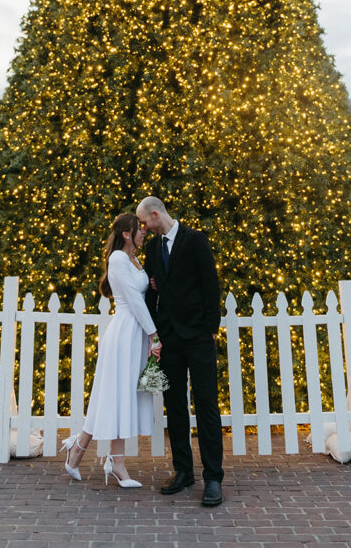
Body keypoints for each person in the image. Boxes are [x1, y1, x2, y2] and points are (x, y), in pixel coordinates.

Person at [136, 196, 224, 507]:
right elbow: (150, 288)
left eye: (144, 222)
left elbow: (211, 284)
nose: (143, 228)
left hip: (198, 337)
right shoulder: (152, 249)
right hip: (170, 338)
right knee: (174, 408)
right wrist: (154, 333)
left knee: (206, 406)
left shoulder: (196, 240)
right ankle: (183, 471)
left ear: (156, 215)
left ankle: (213, 477)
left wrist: (210, 328)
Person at [61, 212, 161, 487]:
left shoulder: (135, 260)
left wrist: (151, 284)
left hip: (135, 335)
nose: (143, 232)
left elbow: (142, 293)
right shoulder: (118, 258)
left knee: (121, 397)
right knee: (114, 395)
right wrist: (154, 335)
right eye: (138, 229)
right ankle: (103, 458)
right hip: (124, 333)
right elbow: (134, 301)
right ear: (127, 234)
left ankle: (90, 455)